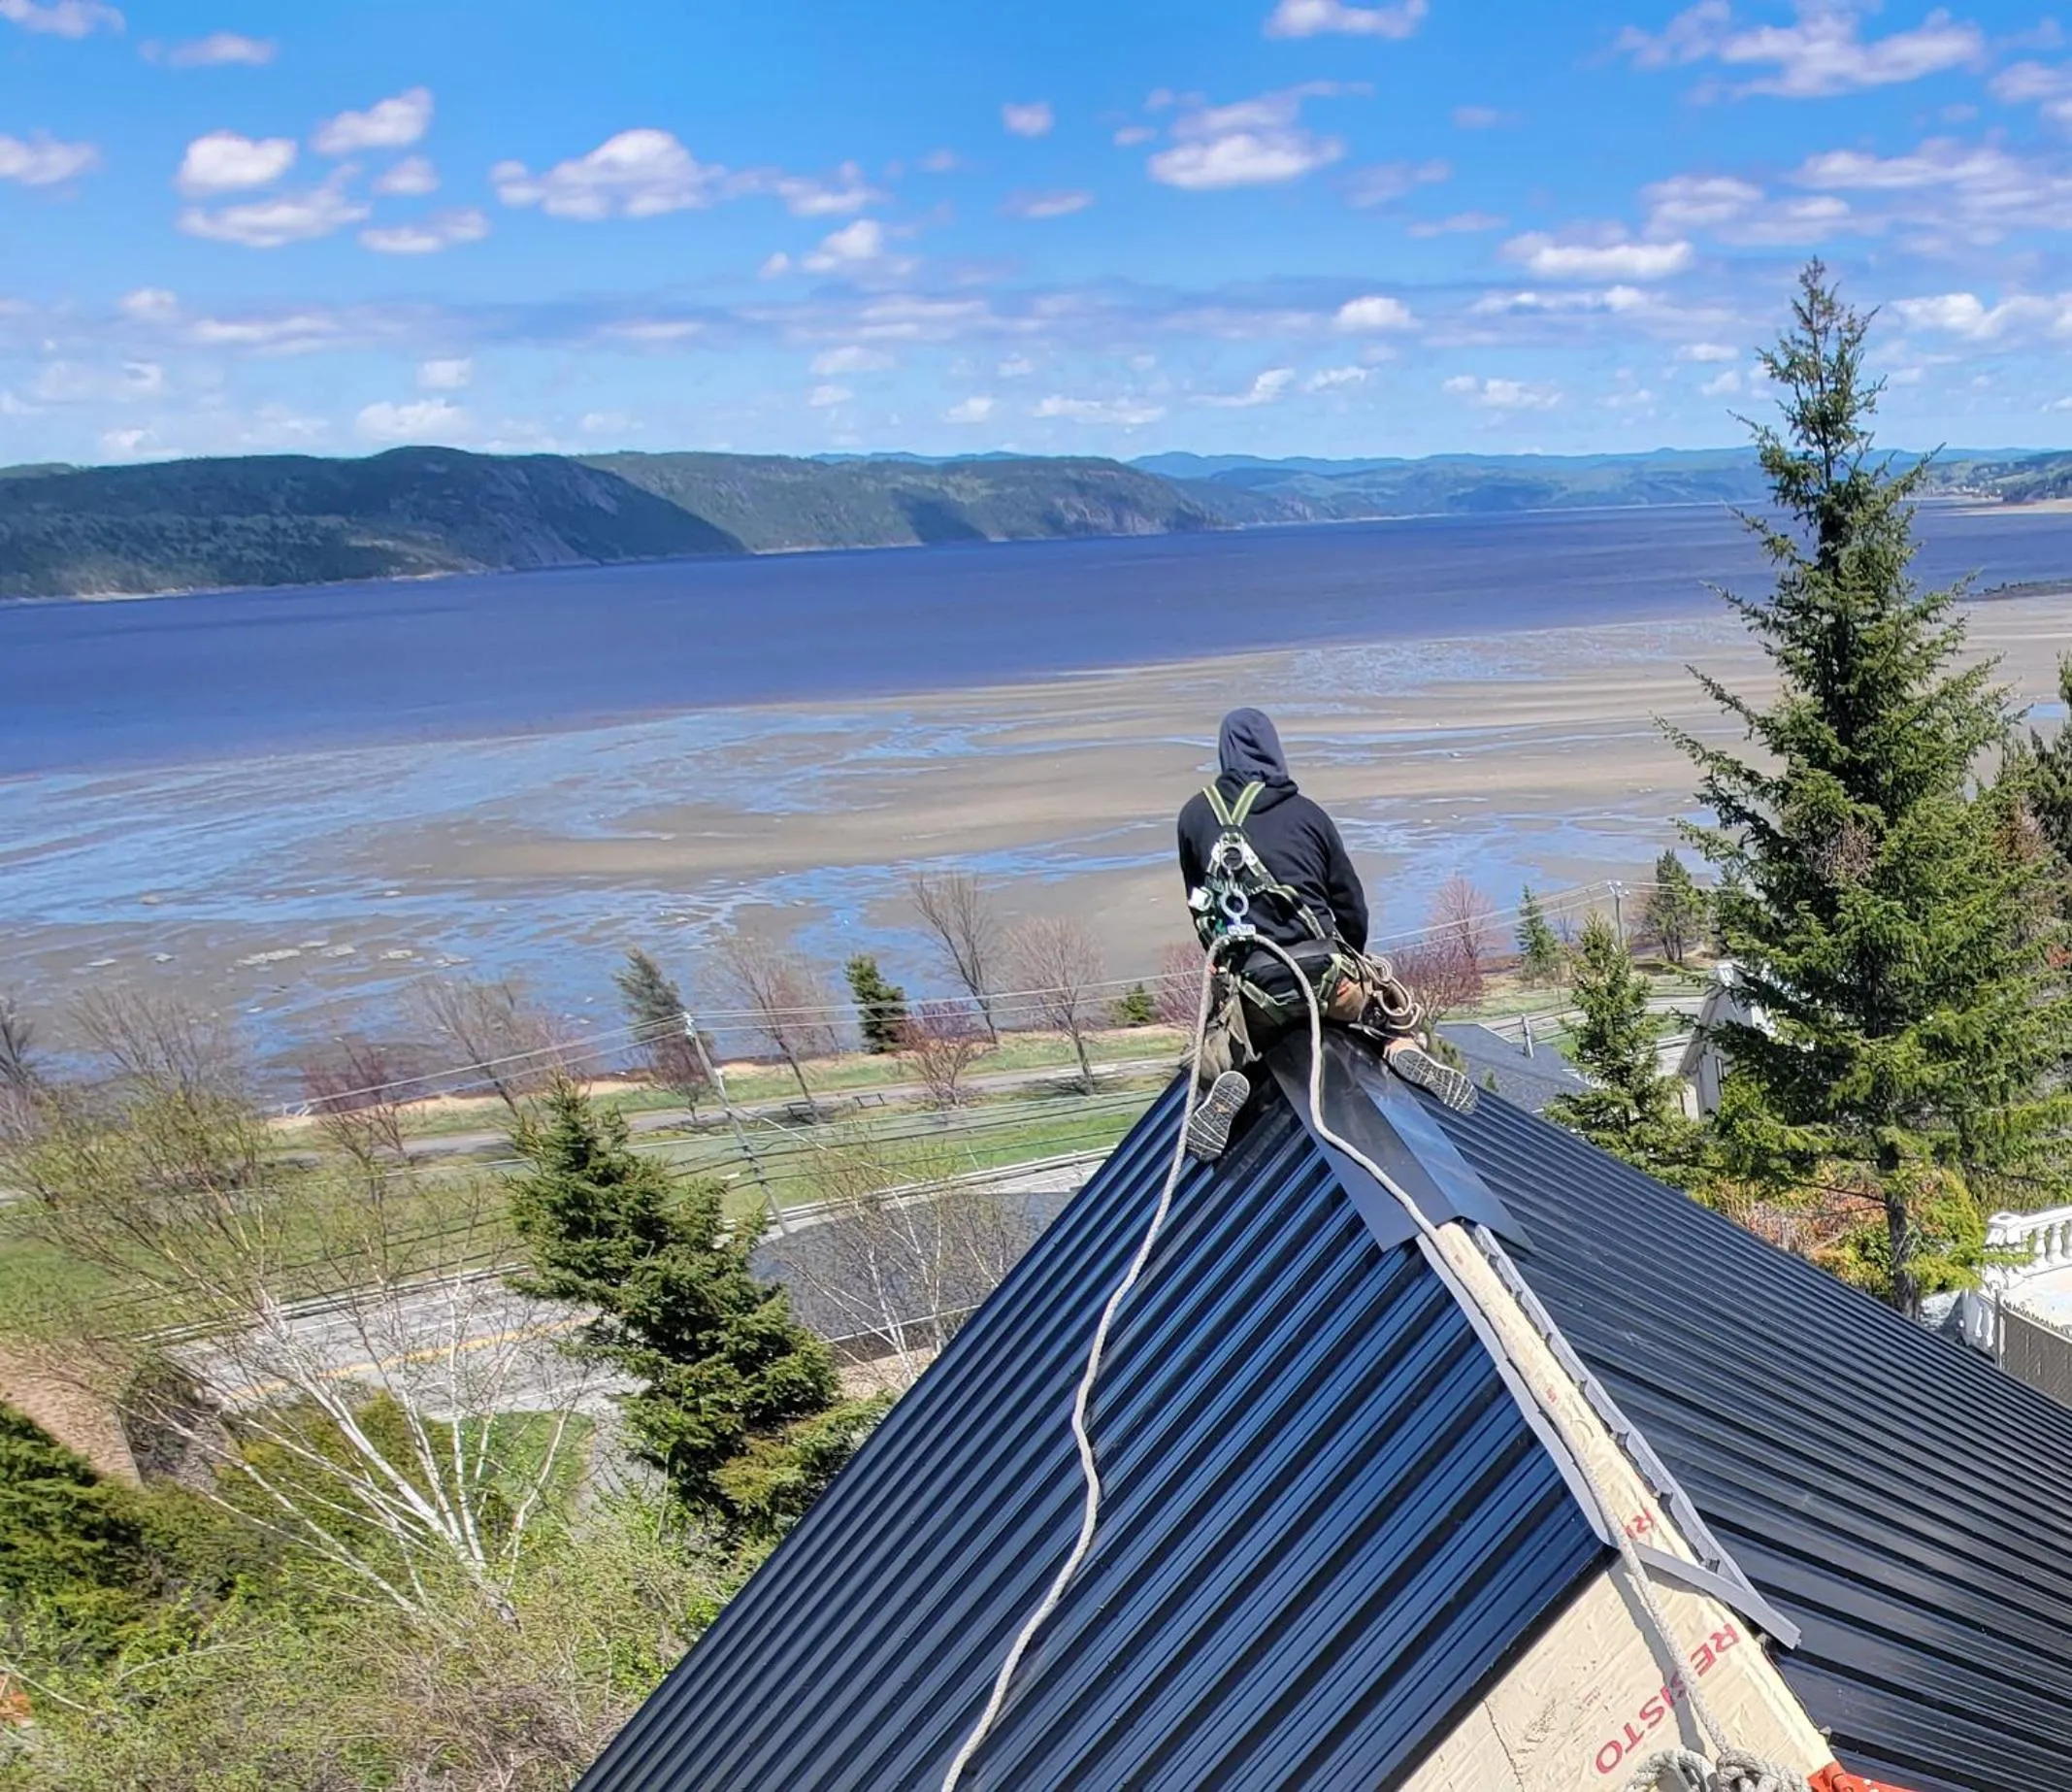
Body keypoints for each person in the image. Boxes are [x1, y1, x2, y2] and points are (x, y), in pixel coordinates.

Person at [1176, 707, 1475, 1160]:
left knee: (1214, 1047)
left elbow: (1202, 908)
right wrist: (1353, 958)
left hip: (1256, 992)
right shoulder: (1307, 814)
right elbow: (1350, 903)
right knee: (1389, 1013)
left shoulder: (1194, 817)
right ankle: (1400, 1047)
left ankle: (1227, 1079)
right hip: (1328, 980)